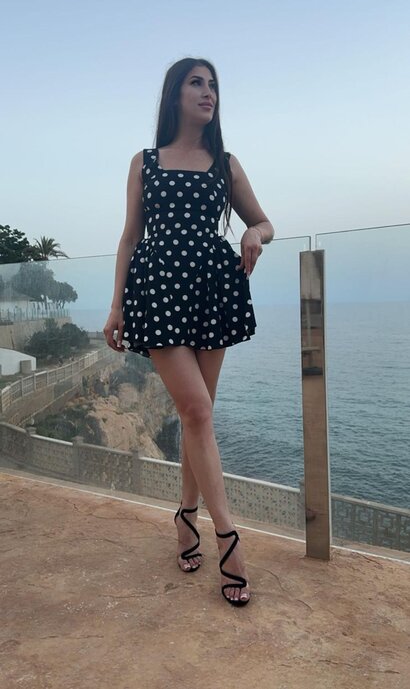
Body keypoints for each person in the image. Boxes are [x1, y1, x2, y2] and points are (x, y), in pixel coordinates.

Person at [104, 57, 274, 607]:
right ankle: (228, 540)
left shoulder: (226, 163)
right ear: (175, 94)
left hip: (212, 289)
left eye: (213, 85)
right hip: (156, 291)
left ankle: (185, 516)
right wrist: (116, 307)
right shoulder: (145, 162)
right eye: (197, 83)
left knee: (196, 416)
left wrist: (254, 233)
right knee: (198, 411)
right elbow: (130, 237)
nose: (208, 92)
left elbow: (264, 221)